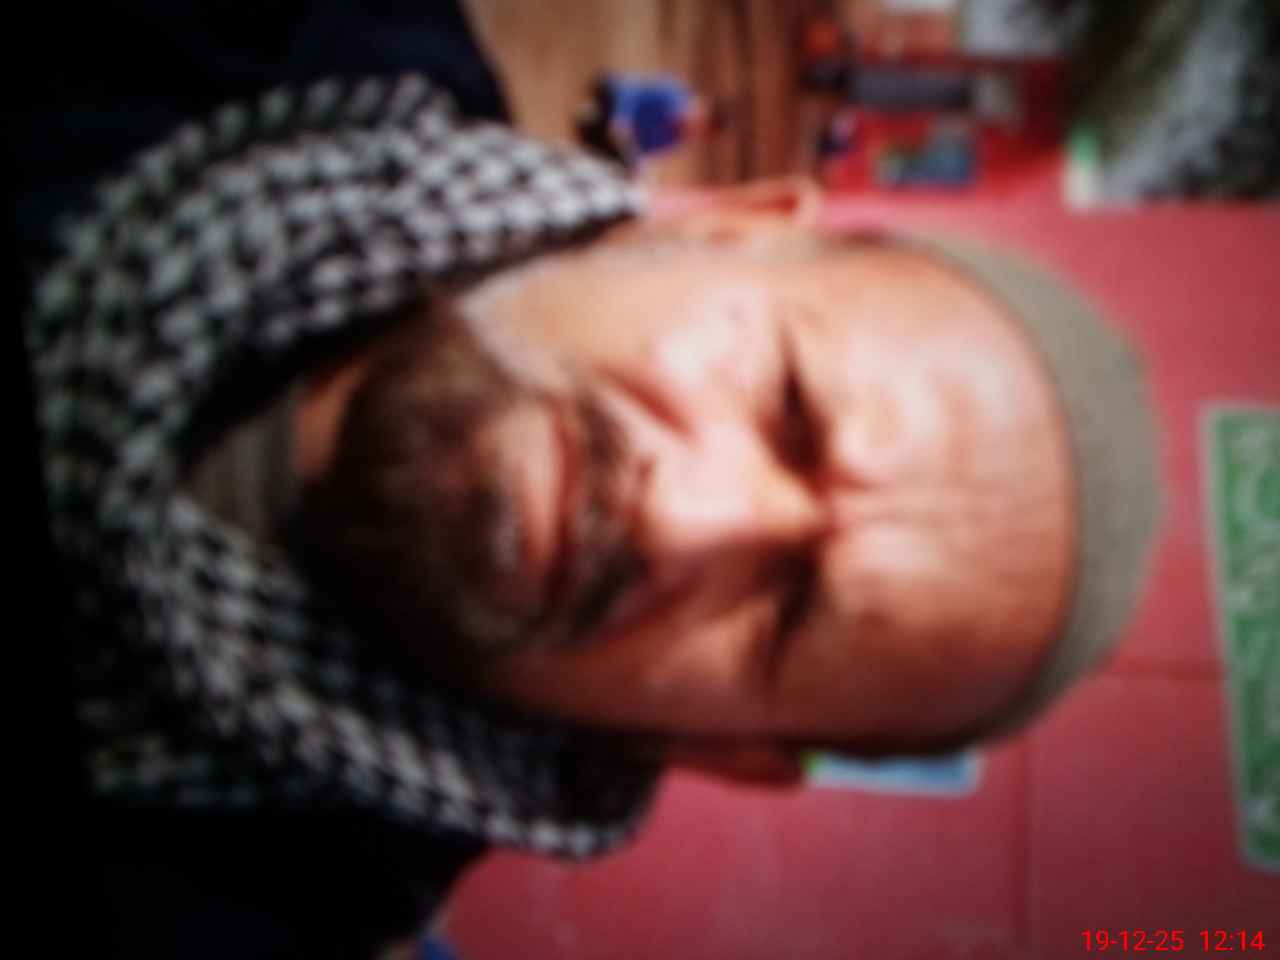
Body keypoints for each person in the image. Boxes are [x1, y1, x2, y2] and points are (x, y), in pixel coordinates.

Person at [14, 12, 1161, 960]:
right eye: (785, 408)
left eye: (784, 614)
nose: (683, 516)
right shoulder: (296, 40)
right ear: (729, 228)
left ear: (723, 754)